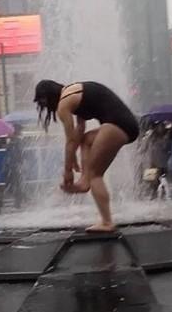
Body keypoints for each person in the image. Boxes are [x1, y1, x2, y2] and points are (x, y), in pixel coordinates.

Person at [34, 80, 139, 232]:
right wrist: (73, 158)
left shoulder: (64, 104)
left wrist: (68, 170)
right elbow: (79, 131)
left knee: (96, 175)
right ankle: (84, 181)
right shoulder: (75, 92)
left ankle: (107, 222)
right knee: (87, 140)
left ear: (49, 95)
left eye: (43, 102)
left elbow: (70, 140)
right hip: (125, 123)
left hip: (117, 124)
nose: (45, 107)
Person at [4, 124, 26, 209]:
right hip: (15, 165)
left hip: (12, 165)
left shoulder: (12, 141)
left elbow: (7, 150)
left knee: (16, 183)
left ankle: (19, 200)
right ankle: (18, 201)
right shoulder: (17, 141)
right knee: (17, 183)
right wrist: (21, 162)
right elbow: (20, 153)